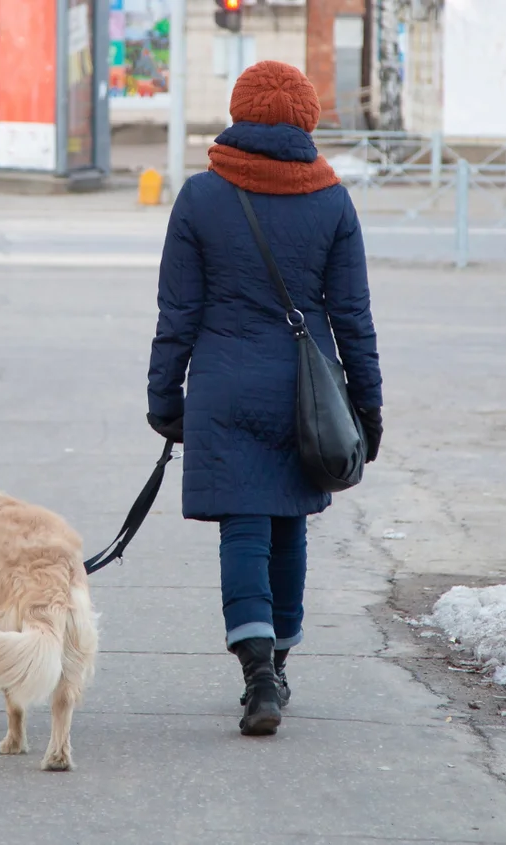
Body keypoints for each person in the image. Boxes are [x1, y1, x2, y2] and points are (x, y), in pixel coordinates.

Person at [144, 61, 383, 737]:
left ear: (239, 114)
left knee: (244, 526)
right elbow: (353, 317)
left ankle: (256, 674)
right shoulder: (332, 201)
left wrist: (164, 395)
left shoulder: (200, 197)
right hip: (304, 393)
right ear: (306, 119)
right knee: (288, 523)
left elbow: (177, 312)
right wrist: (367, 407)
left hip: (223, 385)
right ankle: (277, 663)